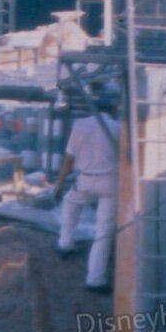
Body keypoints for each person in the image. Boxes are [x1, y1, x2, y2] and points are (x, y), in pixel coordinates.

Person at [55, 95, 121, 295]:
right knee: (103, 232)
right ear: (114, 108)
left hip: (84, 179)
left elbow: (68, 159)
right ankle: (96, 279)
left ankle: (65, 243)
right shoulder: (119, 128)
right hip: (110, 181)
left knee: (70, 202)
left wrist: (58, 184)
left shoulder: (80, 125)